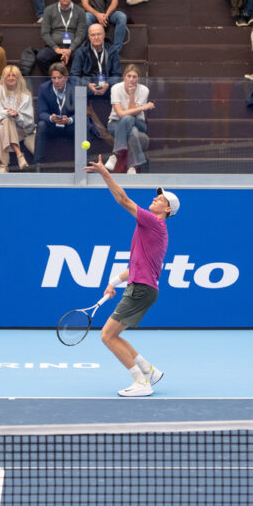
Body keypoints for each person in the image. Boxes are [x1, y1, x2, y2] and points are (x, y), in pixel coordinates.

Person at [83, 156, 178, 397]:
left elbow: (123, 200)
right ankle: (149, 371)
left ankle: (141, 382)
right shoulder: (151, 229)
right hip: (145, 288)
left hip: (141, 289)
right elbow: (134, 265)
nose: (155, 198)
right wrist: (112, 283)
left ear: (167, 210)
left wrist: (105, 173)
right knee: (114, 334)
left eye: (161, 198)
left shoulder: (154, 222)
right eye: (156, 196)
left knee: (106, 336)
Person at [105, 64, 153, 174]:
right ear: (124, 77)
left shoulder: (144, 90)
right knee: (133, 132)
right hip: (115, 123)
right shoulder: (116, 88)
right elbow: (120, 113)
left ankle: (115, 155)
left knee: (129, 120)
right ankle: (134, 166)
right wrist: (143, 107)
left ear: (138, 78)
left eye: (134, 77)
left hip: (138, 123)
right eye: (129, 76)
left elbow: (133, 116)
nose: (131, 79)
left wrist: (132, 95)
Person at [0, 65, 34, 173]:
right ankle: (19, 154)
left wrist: (17, 115)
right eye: (8, 75)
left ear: (18, 77)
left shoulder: (26, 95)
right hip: (0, 125)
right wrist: (10, 113)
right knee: (6, 121)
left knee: (6, 123)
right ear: (3, 78)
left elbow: (29, 121)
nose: (11, 78)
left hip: (20, 130)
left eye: (14, 75)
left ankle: (3, 165)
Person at [36, 0, 87, 75]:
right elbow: (45, 33)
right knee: (41, 57)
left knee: (81, 56)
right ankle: (53, 81)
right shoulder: (49, 10)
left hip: (73, 48)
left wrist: (70, 50)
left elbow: (81, 34)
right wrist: (56, 49)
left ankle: (72, 82)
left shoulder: (80, 11)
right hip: (54, 47)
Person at [33, 63, 76, 170]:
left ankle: (84, 163)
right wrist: (51, 118)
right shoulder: (44, 88)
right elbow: (41, 112)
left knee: (83, 125)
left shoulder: (75, 87)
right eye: (53, 78)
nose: (56, 81)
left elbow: (81, 112)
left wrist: (69, 120)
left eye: (59, 78)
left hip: (69, 125)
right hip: (52, 125)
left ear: (66, 78)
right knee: (42, 124)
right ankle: (37, 165)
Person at [70, 22, 122, 99]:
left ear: (104, 35)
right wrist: (88, 84)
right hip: (88, 86)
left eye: (99, 34)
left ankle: (117, 111)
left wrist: (108, 84)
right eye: (93, 35)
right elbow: (74, 76)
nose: (96, 37)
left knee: (118, 88)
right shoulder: (81, 52)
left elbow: (117, 75)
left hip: (107, 86)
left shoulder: (112, 51)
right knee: (78, 89)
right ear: (89, 37)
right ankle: (81, 111)